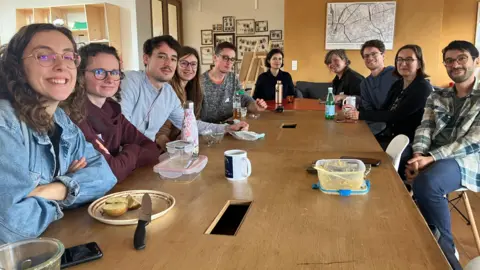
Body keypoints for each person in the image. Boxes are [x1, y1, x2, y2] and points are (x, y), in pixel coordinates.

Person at [0, 24, 116, 244]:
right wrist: (70, 191)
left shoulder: (61, 119)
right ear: (16, 66)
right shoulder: (5, 124)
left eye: (68, 56)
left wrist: (52, 189)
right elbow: (10, 226)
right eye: (44, 56)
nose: (61, 65)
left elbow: (105, 175)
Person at [406, 40, 480, 270]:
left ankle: (446, 255)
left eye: (461, 59)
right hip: (432, 154)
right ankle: (421, 238)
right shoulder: (437, 95)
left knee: (428, 183)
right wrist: (419, 153)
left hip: (468, 158)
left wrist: (431, 158)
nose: (454, 64)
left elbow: (473, 141)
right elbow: (425, 127)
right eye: (449, 60)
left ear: (476, 62)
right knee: (404, 169)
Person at [63, 43, 162, 182]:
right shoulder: (73, 115)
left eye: (115, 72)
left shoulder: (112, 109)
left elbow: (152, 150)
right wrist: (133, 150)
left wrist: (122, 157)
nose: (109, 79)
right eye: (99, 72)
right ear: (80, 75)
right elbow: (111, 171)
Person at [155, 46, 249, 149]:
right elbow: (160, 134)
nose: (189, 68)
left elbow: (193, 123)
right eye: (184, 63)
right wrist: (174, 152)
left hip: (189, 142)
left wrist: (228, 127)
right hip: (166, 151)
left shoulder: (191, 89)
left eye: (193, 64)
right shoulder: (169, 90)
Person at [346, 44, 432, 146]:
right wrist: (354, 114)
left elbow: (396, 115)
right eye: (399, 59)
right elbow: (384, 109)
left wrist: (360, 115)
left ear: (419, 64)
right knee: (349, 138)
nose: (403, 63)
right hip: (390, 134)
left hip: (409, 142)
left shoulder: (423, 87)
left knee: (357, 146)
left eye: (409, 59)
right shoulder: (398, 84)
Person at [119, 35, 184, 142]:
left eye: (173, 59)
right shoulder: (130, 81)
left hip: (147, 153)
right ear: (146, 59)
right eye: (162, 57)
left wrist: (220, 129)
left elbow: (187, 123)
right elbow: (121, 125)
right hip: (120, 153)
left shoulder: (169, 93)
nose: (168, 64)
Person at [200, 42, 267, 123]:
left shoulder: (233, 79)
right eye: (225, 58)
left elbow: (244, 96)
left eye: (232, 59)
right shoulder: (200, 82)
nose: (229, 62)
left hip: (231, 127)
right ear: (215, 57)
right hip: (208, 131)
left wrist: (255, 106)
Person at [360, 40, 399, 135]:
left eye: (374, 54)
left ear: (383, 55)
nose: (370, 58)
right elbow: (368, 109)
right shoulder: (364, 83)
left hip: (397, 124)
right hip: (377, 123)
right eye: (366, 56)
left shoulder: (396, 74)